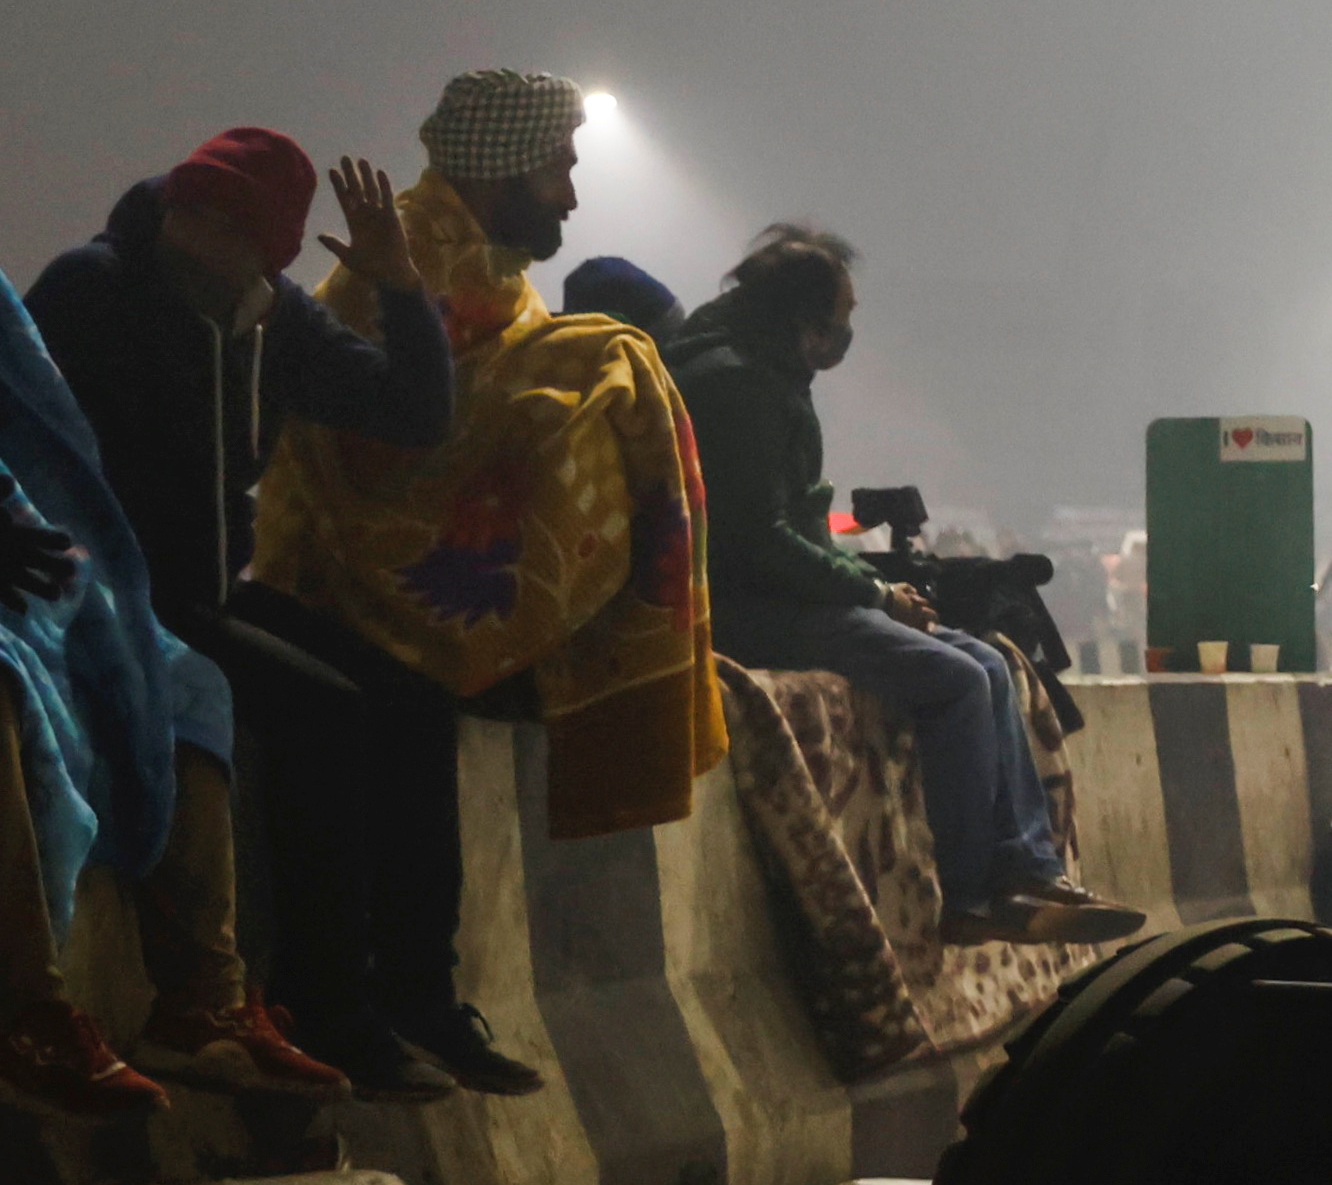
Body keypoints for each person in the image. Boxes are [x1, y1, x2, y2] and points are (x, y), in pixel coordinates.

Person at [246, 67, 726, 1094]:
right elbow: (377, 448)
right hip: (335, 586)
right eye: (558, 168)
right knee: (605, 359)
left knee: (420, 775)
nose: (571, 195)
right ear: (504, 166)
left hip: (416, 616)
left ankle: (423, 1001)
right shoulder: (401, 256)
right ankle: (349, 1015)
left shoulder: (489, 266)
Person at [27, 129, 452, 1093]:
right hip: (116, 594)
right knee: (321, 712)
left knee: (414, 700)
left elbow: (414, 414)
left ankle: (420, 996)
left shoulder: (272, 319)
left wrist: (398, 286)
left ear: (268, 248)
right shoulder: (95, 290)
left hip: (211, 586)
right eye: (191, 209)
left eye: (224, 223)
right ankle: (328, 1008)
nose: (196, 232)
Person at [667, 227, 1131, 947]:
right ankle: (973, 895)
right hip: (745, 607)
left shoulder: (764, 371)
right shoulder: (737, 385)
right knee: (956, 680)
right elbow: (760, 541)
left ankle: (1028, 871)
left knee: (989, 662)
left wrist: (869, 587)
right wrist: (876, 595)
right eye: (844, 314)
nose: (850, 330)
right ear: (806, 320)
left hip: (783, 593)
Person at [0, 284, 290, 1114]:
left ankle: (201, 1001)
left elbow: (50, 453)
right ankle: (28, 1012)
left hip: (23, 576)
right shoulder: (100, 288)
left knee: (184, 679)